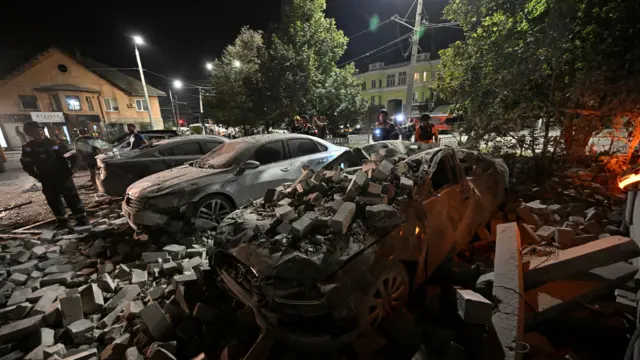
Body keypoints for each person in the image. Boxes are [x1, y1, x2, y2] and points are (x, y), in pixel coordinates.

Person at [20, 121, 89, 230]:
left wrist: (72, 170)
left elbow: (74, 157)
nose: (39, 132)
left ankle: (82, 221)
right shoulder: (28, 147)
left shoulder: (56, 144)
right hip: (46, 178)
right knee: (53, 201)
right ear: (29, 133)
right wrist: (35, 175)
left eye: (40, 130)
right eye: (35, 131)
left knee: (72, 199)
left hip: (63, 177)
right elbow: (26, 163)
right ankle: (62, 222)